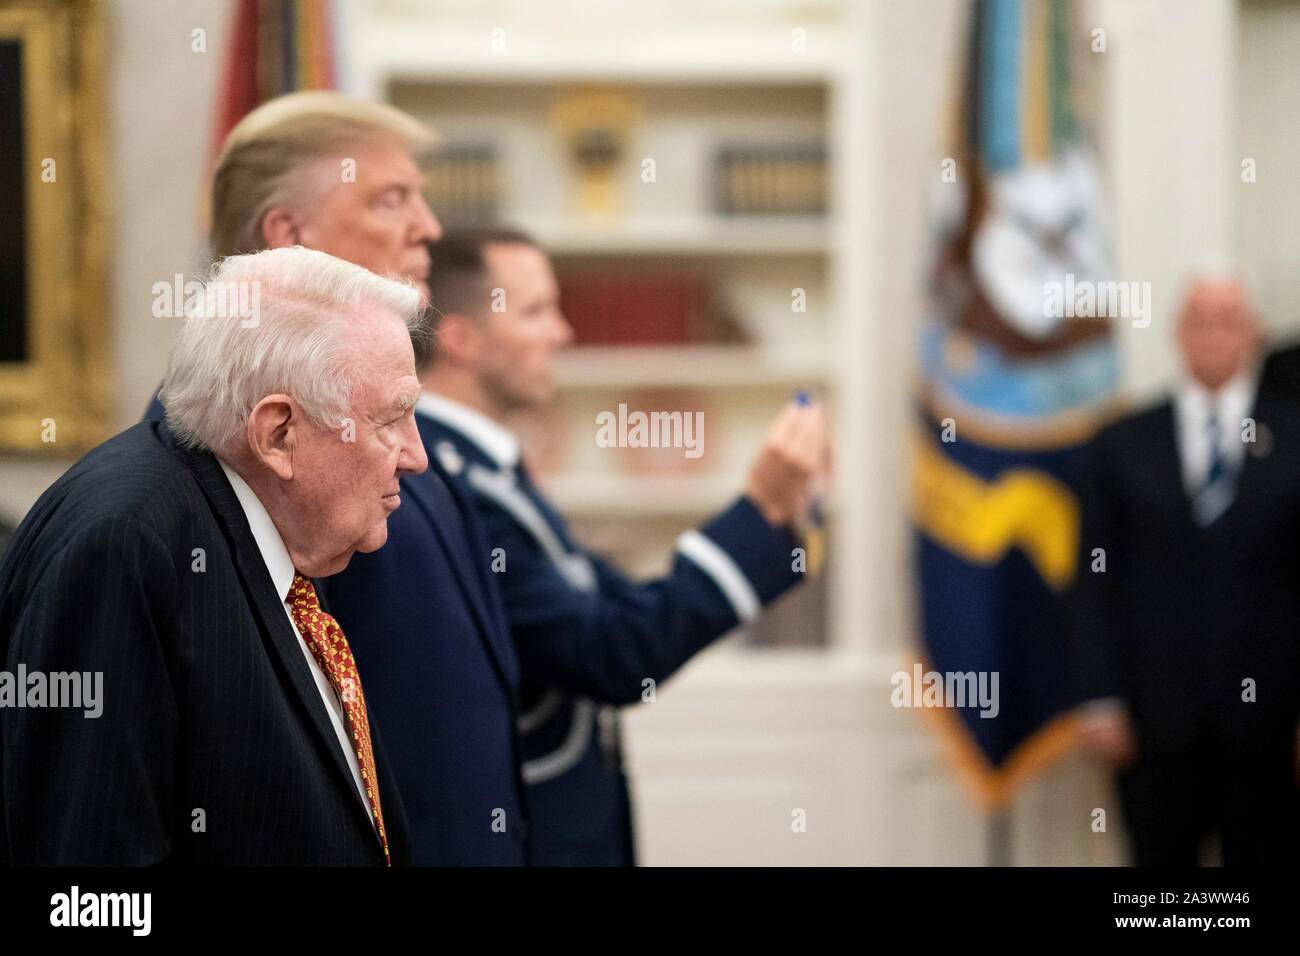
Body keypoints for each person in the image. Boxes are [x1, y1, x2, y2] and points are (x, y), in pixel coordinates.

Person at [331, 227, 829, 865]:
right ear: (462, 340)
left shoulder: (486, 472)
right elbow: (616, 652)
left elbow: (617, 609)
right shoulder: (437, 481)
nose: (563, 334)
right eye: (537, 311)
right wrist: (759, 510)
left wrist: (771, 520)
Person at [142, 92, 532, 865]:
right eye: (391, 199)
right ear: (291, 236)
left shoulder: (391, 420)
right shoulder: (222, 448)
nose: (429, 226)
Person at [0, 247, 426, 865]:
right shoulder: (124, 548)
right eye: (393, 418)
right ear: (279, 433)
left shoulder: (277, 519)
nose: (416, 456)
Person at [1069, 275, 1300, 866]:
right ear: (1177, 332)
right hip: (1152, 722)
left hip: (1271, 723)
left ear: (1254, 334)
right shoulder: (1121, 442)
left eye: (1229, 318)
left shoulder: (1294, 439)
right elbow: (1093, 579)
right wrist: (1098, 696)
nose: (1214, 333)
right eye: (1200, 318)